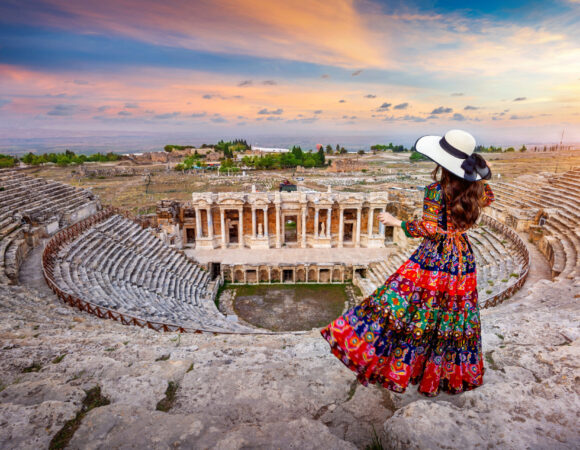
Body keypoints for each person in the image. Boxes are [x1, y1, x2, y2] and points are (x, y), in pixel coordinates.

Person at [320, 129, 494, 397]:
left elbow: (429, 228)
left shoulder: (436, 191)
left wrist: (397, 222)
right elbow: (487, 199)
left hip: (435, 258)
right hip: (462, 257)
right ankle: (447, 376)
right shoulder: (478, 190)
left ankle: (397, 363)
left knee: (400, 304)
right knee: (454, 316)